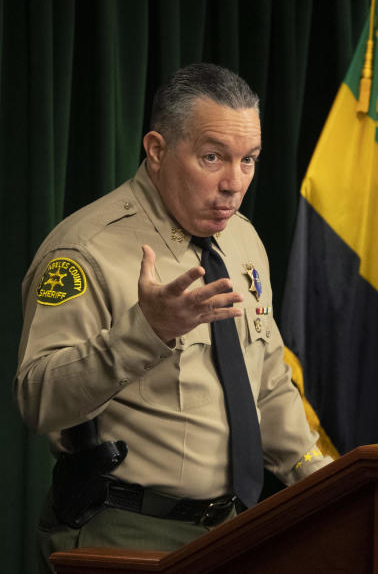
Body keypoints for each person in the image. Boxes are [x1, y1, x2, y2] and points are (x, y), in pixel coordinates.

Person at [15, 63, 332, 571]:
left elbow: (267, 380)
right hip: (122, 532)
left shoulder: (243, 239)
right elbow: (37, 400)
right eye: (212, 157)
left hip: (233, 528)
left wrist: (316, 474)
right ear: (157, 150)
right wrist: (147, 331)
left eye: (248, 160)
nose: (234, 183)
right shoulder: (85, 250)